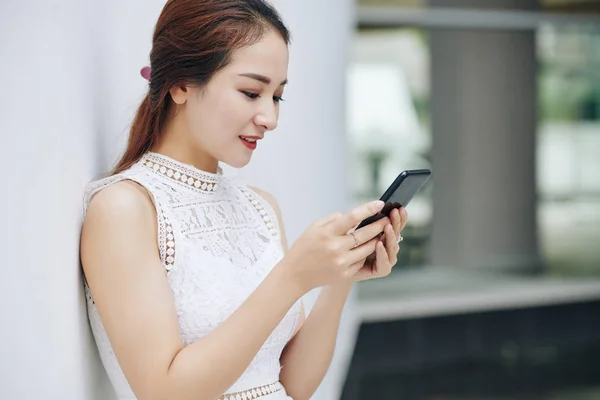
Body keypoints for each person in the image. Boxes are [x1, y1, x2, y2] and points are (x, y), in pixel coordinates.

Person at [79, 1, 408, 399]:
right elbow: (163, 392)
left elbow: (290, 386)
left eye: (277, 97)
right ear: (181, 84)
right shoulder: (125, 208)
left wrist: (338, 278)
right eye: (252, 92)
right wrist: (291, 278)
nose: (270, 117)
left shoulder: (260, 208)